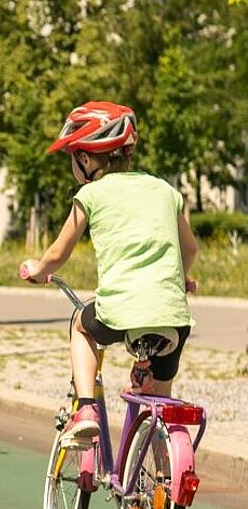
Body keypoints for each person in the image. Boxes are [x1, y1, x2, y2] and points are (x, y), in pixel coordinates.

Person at [20, 101, 197, 445]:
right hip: (174, 318)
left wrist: (37, 269)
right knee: (161, 402)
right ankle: (161, 472)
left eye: (73, 155)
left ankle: (86, 409)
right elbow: (189, 249)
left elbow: (58, 253)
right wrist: (182, 277)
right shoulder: (164, 189)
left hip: (119, 313)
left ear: (85, 159)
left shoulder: (91, 194)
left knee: (80, 326)